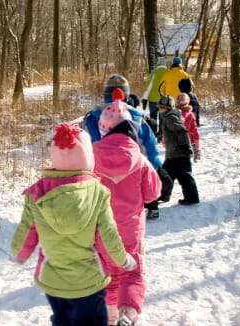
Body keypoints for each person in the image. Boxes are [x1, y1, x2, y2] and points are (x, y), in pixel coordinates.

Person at [11, 122, 137, 326]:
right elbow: (108, 236)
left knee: (62, 319)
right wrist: (123, 260)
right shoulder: (97, 193)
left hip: (52, 280)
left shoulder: (38, 193)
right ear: (88, 159)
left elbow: (27, 231)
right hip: (88, 281)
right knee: (93, 321)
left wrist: (19, 253)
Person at [93, 88, 162, 325]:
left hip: (101, 230)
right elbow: (154, 192)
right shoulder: (140, 161)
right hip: (130, 229)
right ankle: (128, 314)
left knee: (109, 274)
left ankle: (111, 318)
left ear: (103, 129)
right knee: (132, 273)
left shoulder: (90, 159)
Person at [83, 74, 164, 219]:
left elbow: (82, 146)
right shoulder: (136, 117)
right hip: (131, 166)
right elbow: (149, 144)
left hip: (99, 170)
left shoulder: (91, 118)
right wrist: (153, 163)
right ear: (126, 93)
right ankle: (149, 209)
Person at [157, 95, 200, 205]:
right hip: (173, 153)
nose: (160, 109)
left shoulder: (171, 118)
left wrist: (185, 146)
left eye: (162, 107)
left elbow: (182, 131)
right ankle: (163, 196)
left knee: (179, 176)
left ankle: (191, 198)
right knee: (168, 175)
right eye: (159, 107)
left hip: (179, 153)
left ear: (168, 108)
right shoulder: (168, 116)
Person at [142, 57, 168, 121]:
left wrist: (144, 98)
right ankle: (162, 130)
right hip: (164, 100)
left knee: (152, 119)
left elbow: (148, 87)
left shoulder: (153, 73)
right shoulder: (168, 73)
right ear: (165, 64)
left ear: (158, 64)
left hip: (153, 99)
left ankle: (153, 130)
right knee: (163, 119)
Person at [176, 93, 200, 163]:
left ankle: (194, 152)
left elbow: (194, 127)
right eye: (181, 100)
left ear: (188, 101)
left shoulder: (190, 114)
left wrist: (196, 138)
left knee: (186, 154)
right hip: (178, 138)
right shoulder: (175, 113)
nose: (182, 101)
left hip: (187, 137)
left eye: (184, 100)